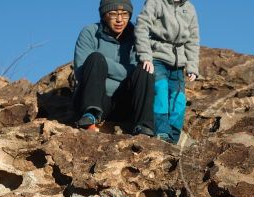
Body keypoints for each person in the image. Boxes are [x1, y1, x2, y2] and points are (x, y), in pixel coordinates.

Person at [73, 0, 155, 135]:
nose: (119, 20)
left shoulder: (138, 36)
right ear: (104, 15)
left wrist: (106, 68)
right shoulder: (89, 33)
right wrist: (121, 70)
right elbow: (82, 72)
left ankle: (144, 125)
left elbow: (137, 73)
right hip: (97, 98)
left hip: (125, 101)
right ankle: (90, 115)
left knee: (145, 69)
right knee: (95, 58)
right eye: (113, 14)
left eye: (124, 14)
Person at [135, 0, 201, 144]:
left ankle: (173, 138)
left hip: (178, 64)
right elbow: (141, 27)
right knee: (160, 91)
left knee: (179, 101)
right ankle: (162, 132)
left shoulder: (189, 8)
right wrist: (145, 56)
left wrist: (192, 66)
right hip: (157, 58)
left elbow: (193, 40)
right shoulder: (155, 3)